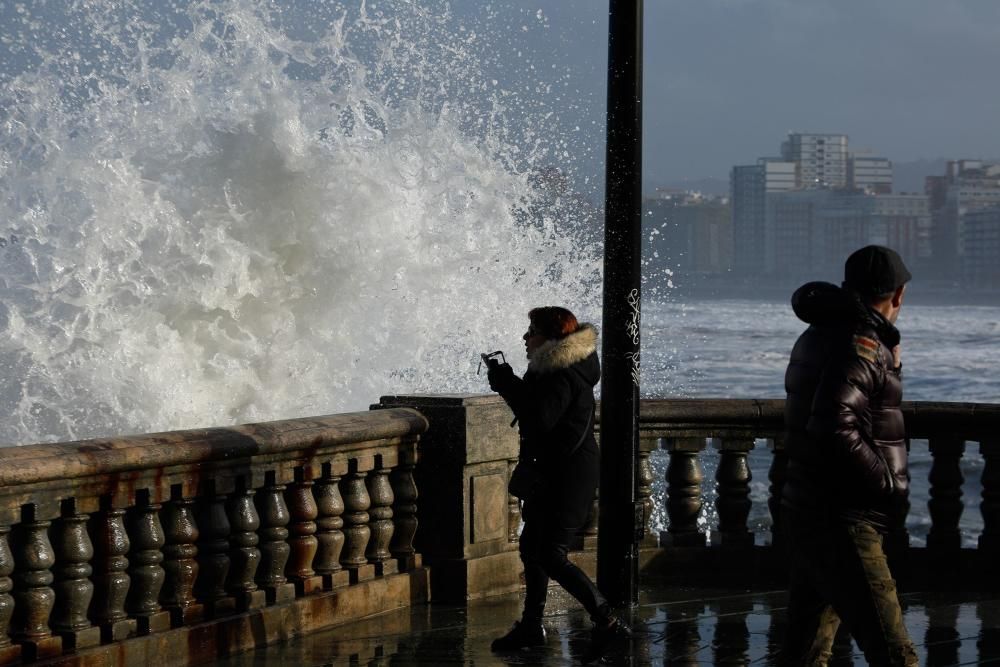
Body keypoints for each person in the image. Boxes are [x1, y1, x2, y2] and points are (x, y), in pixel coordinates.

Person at [779, 245, 919, 666]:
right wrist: (886, 484)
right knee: (894, 653)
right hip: (845, 517)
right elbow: (835, 425)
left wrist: (888, 367)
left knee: (805, 653)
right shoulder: (859, 343)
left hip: (811, 507)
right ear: (897, 295)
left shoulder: (823, 332)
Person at [485, 306, 629, 659]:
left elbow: (539, 420)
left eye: (531, 330)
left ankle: (608, 622)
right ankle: (532, 625)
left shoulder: (562, 373)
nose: (524, 337)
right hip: (554, 470)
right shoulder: (555, 368)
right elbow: (540, 413)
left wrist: (505, 383)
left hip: (569, 475)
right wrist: (512, 383)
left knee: (551, 554)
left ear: (550, 338)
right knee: (531, 547)